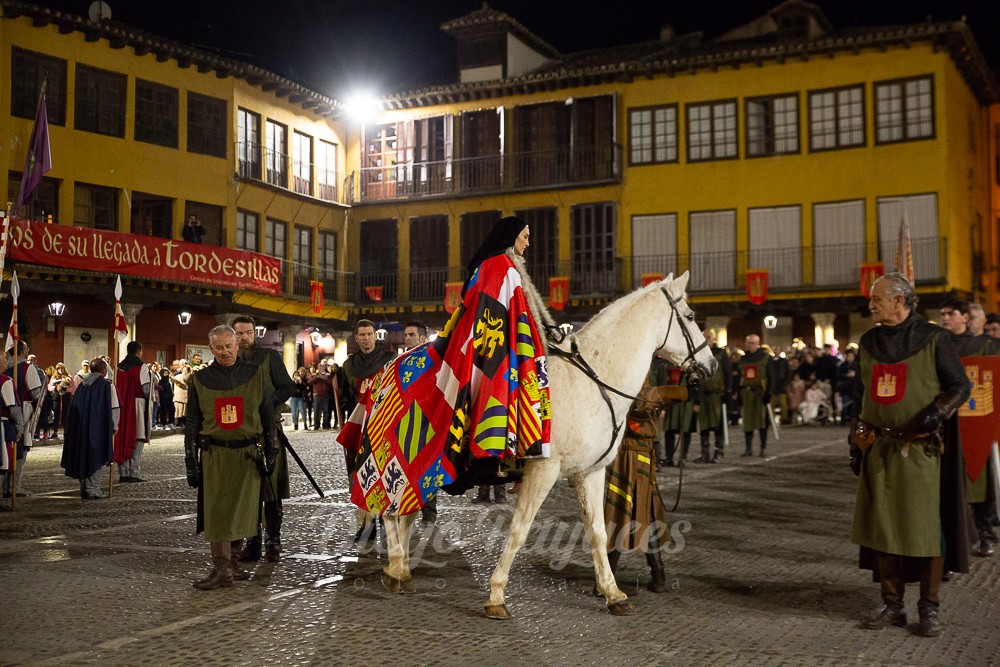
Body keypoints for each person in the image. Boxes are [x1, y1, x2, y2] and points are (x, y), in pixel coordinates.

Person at [338, 216, 552, 538]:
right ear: (511, 237)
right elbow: (508, 320)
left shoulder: (497, 267)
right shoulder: (501, 267)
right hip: (484, 354)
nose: (528, 242)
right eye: (525, 235)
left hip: (476, 347)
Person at [848, 273, 970, 638]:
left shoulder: (934, 339)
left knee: (925, 530)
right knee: (883, 528)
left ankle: (928, 608)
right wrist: (854, 444)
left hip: (920, 450)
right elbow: (860, 396)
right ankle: (892, 605)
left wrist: (939, 410)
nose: (871, 305)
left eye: (878, 299)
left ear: (900, 301)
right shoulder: (868, 342)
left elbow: (960, 386)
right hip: (878, 447)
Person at [184, 325, 277, 590]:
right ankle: (222, 567)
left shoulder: (255, 374)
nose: (225, 352)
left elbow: (268, 416)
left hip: (248, 454)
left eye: (229, 346)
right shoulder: (200, 381)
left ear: (237, 345)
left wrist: (271, 451)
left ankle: (232, 564)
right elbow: (192, 423)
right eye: (219, 348)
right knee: (218, 513)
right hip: (216, 455)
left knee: (243, 513)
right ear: (210, 349)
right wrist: (191, 461)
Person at [603, 361, 685, 593]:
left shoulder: (640, 372)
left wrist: (680, 390)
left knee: (646, 513)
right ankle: (606, 579)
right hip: (627, 455)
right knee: (621, 512)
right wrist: (678, 391)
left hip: (642, 455)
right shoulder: (626, 374)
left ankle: (658, 574)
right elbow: (641, 403)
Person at [937, 297, 998, 558]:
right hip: (947, 423)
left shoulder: (987, 346)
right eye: (943, 314)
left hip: (979, 421)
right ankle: (951, 544)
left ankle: (984, 532)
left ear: (966, 318)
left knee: (982, 481)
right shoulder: (938, 345)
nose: (945, 318)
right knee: (948, 484)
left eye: (951, 313)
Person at [232, 315, 296, 563]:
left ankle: (273, 542)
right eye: (239, 333)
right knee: (249, 493)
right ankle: (253, 543)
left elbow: (288, 388)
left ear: (254, 333)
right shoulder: (232, 361)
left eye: (248, 332)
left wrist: (266, 405)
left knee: (271, 490)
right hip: (242, 435)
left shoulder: (269, 358)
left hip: (269, 432)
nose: (244, 337)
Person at [340, 319, 397, 541]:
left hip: (383, 426)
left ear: (376, 336)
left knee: (384, 475)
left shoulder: (389, 360)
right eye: (361, 335)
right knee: (359, 476)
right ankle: (365, 525)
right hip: (358, 428)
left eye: (369, 334)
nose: (365, 338)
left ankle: (386, 522)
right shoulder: (348, 366)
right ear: (356, 338)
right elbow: (344, 398)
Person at [61, 357, 119, 499]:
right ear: (104, 370)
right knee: (95, 454)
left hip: (81, 427)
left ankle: (85, 487)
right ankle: (92, 489)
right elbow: (114, 408)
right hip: (98, 426)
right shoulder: (107, 386)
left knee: (83, 454)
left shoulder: (82, 385)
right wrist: (114, 425)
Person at [403, 320, 439, 524]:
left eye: (411, 335)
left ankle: (429, 511)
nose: (407, 338)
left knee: (428, 467)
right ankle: (409, 505)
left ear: (423, 338)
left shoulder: (433, 360)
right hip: (407, 419)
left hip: (428, 420)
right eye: (406, 335)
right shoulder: (402, 361)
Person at [3, 341, 46, 498]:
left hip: (6, 414)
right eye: (26, 349)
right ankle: (14, 487)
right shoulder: (28, 368)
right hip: (23, 412)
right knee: (20, 450)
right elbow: (36, 393)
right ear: (21, 351)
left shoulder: (5, 368)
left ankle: (9, 486)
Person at [114, 341, 154, 484]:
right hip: (137, 406)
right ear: (139, 351)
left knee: (122, 436)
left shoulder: (118, 367)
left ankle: (122, 472)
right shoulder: (141, 367)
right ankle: (134, 472)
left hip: (121, 405)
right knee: (137, 437)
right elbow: (146, 390)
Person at [695, 330, 732, 463]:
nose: (706, 339)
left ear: (713, 339)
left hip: (717, 395)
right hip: (703, 396)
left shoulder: (721, 354)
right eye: (704, 337)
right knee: (704, 426)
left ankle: (718, 452)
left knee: (718, 425)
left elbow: (728, 374)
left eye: (708, 337)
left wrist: (728, 391)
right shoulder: (698, 353)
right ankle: (705, 453)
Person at [737, 334, 774, 457]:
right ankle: (748, 448)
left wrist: (768, 393)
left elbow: (772, 377)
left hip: (760, 393)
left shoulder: (766, 358)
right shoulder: (742, 359)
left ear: (758, 343)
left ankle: (763, 448)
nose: (750, 345)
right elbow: (739, 377)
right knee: (748, 422)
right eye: (748, 343)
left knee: (762, 421)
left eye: (752, 343)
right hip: (747, 393)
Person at [0, 350, 24, 510]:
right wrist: (20, 426)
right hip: (2, 427)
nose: (6, 362)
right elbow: (13, 407)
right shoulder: (5, 381)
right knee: (2, 463)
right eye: (4, 359)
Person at [308, 362, 334, 430]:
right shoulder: (314, 375)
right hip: (317, 395)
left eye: (322, 367)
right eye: (320, 367)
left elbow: (331, 383)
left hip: (325, 395)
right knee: (316, 411)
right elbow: (309, 382)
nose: (321, 368)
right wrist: (317, 377)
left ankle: (325, 425)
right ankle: (316, 425)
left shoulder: (328, 375)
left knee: (326, 411)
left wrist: (324, 378)